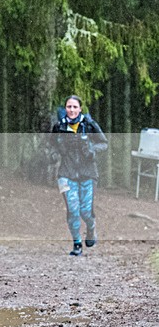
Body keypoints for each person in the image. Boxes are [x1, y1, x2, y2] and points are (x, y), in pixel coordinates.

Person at [50, 95, 108, 256]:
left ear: (80, 109)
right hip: (65, 174)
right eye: (69, 107)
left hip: (88, 173)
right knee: (73, 209)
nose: (72, 110)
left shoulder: (89, 125)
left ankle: (91, 228)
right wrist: (53, 155)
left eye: (75, 107)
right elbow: (51, 145)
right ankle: (76, 243)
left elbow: (104, 143)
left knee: (86, 211)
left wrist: (92, 150)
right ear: (65, 108)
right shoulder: (58, 127)